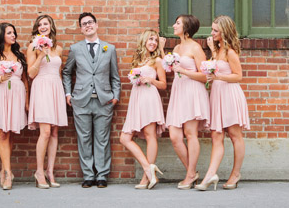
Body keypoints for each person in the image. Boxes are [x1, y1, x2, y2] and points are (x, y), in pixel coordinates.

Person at [62, 12, 121, 188]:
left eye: (90, 22)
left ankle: (102, 175)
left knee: (102, 139)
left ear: (96, 25)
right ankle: (88, 175)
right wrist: (68, 94)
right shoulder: (75, 49)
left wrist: (115, 96)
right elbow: (66, 72)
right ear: (81, 29)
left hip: (104, 101)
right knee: (84, 138)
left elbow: (115, 76)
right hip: (81, 101)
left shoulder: (109, 49)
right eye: (84, 24)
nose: (87, 25)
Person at [195, 15, 250, 191]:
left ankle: (236, 174)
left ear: (224, 32)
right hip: (217, 96)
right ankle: (210, 176)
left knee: (235, 136)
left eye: (215, 30)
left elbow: (238, 76)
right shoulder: (218, 51)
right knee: (216, 136)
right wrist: (212, 51)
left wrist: (218, 76)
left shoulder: (231, 52)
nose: (211, 33)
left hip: (230, 96)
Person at [165, 14, 210, 190]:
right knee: (175, 136)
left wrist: (183, 70)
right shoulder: (176, 48)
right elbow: (172, 69)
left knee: (190, 134)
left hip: (192, 91)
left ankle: (190, 175)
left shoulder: (195, 48)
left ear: (186, 27)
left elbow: (205, 76)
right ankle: (191, 172)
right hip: (178, 91)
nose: (174, 25)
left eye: (177, 23)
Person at [0, 22, 29, 190]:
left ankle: (3, 170)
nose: (13, 35)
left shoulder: (19, 55)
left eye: (14, 32)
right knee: (2, 134)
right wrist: (1, 78)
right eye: (10, 33)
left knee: (11, 133)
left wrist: (27, 100)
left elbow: (24, 80)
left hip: (16, 96)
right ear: (1, 35)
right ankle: (8, 173)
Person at [120, 30, 167, 190]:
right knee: (125, 138)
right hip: (137, 98)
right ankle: (149, 168)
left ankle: (146, 178)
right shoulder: (138, 59)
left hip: (149, 97)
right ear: (144, 41)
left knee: (149, 135)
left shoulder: (157, 61)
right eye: (150, 39)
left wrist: (151, 80)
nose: (153, 42)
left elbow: (163, 85)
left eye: (155, 40)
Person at [27, 15, 68, 189]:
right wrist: (41, 54)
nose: (43, 26)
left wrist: (63, 93)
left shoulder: (58, 48)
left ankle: (50, 171)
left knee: (54, 133)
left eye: (46, 23)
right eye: (40, 24)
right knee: (44, 132)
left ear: (51, 26)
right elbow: (30, 73)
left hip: (55, 88)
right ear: (37, 28)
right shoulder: (33, 47)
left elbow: (58, 72)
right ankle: (39, 171)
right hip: (41, 88)